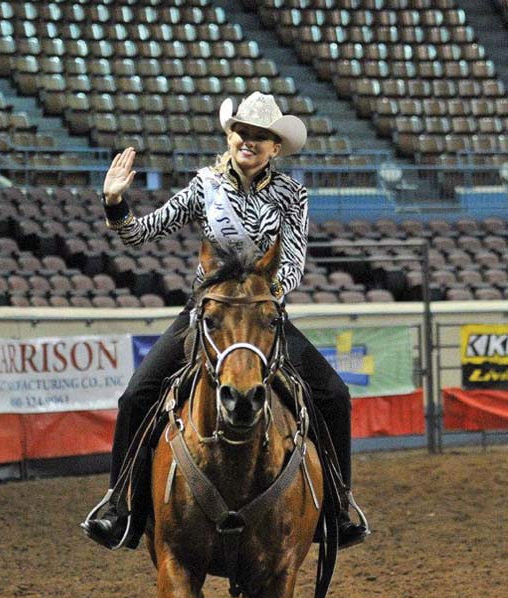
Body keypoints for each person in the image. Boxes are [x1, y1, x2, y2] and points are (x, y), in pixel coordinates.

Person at [83, 91, 368, 551]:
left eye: (260, 136)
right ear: (230, 136)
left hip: (260, 314)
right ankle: (121, 505)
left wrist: (261, 299)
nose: (248, 141)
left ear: (276, 148)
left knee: (333, 393)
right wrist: (115, 203)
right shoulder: (204, 186)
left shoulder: (293, 196)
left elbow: (292, 262)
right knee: (137, 394)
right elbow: (141, 233)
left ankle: (337, 507)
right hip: (207, 315)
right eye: (242, 132)